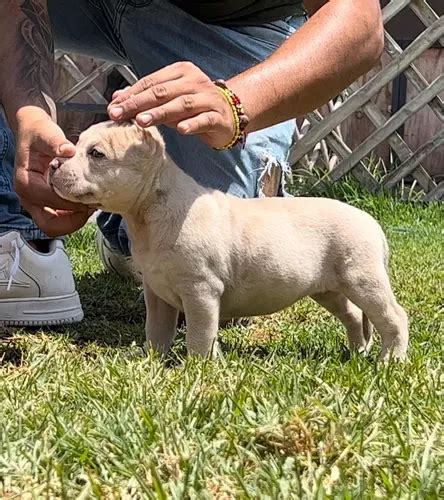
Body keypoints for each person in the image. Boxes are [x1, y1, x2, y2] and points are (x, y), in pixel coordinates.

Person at [0, 0, 384, 326]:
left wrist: (235, 102)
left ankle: (126, 231)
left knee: (216, 270)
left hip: (228, 21)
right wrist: (26, 114)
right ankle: (14, 235)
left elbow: (359, 21)